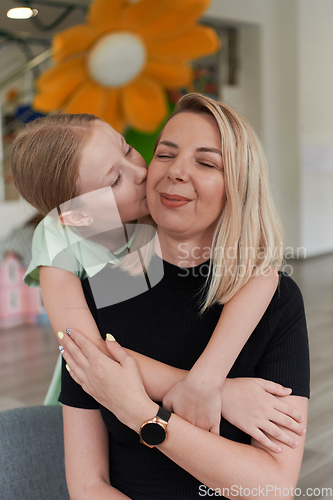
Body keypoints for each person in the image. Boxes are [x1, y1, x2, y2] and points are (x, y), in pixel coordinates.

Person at [56, 94, 310, 499]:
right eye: (164, 154)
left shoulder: (275, 301)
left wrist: (142, 414)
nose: (176, 171)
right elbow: (88, 484)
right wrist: (220, 393)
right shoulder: (95, 290)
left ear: (239, 188)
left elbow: (273, 487)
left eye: (206, 163)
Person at [10, 112, 302, 445]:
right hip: (100, 401)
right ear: (79, 216)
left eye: (129, 149)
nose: (140, 172)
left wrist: (206, 381)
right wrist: (221, 391)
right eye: (115, 180)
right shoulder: (58, 236)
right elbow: (88, 352)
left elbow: (262, 270)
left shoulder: (158, 205)